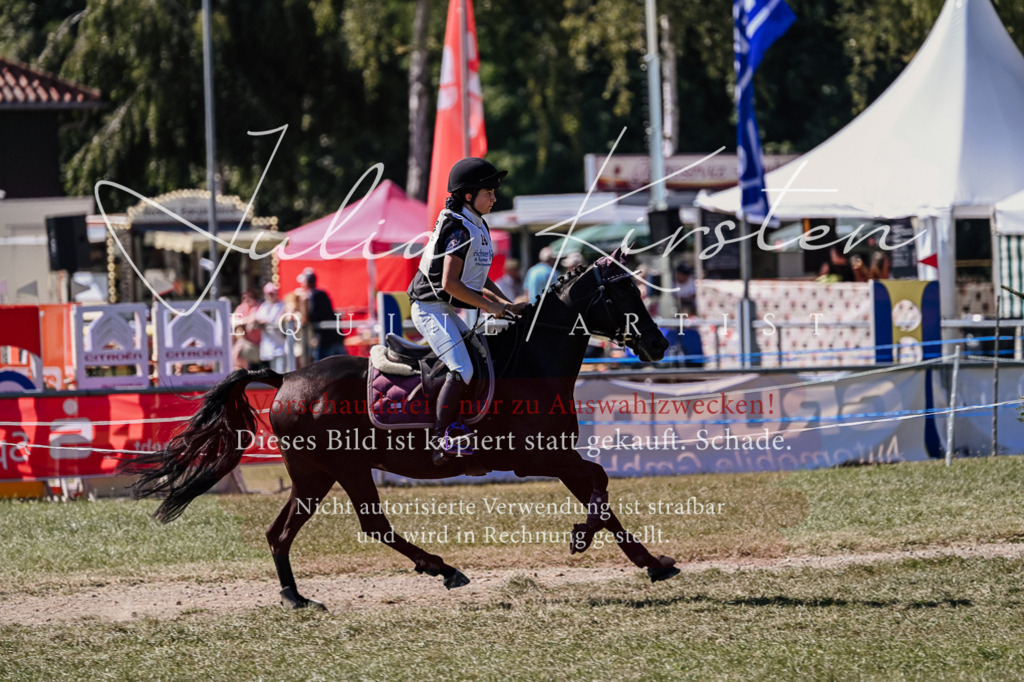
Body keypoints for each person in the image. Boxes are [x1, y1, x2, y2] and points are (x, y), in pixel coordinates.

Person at [408, 157, 527, 465]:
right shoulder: (459, 229)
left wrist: (507, 304)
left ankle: (465, 424)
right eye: (489, 192)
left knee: (479, 359)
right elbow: (449, 283)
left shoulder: (476, 223)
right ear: (469, 195)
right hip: (429, 308)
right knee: (464, 368)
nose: (495, 198)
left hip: (444, 308)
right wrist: (493, 307)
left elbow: (479, 276)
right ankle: (442, 436)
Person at [297, 268, 347, 361]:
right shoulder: (323, 293)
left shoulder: (306, 297)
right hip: (336, 336)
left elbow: (305, 320)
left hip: (323, 340)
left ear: (306, 283)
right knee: (343, 369)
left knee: (321, 371)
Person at [255, 282, 287, 372]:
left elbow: (273, 319)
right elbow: (258, 319)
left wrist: (265, 320)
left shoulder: (282, 305)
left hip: (280, 346)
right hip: (267, 347)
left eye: (273, 293)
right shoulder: (264, 306)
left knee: (280, 374)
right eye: (269, 293)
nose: (271, 296)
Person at [231, 290, 262, 370]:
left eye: (250, 297)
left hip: (258, 345)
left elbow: (253, 318)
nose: (247, 299)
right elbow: (233, 320)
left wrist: (241, 322)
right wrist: (242, 323)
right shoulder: (241, 307)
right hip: (246, 345)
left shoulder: (259, 307)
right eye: (244, 297)